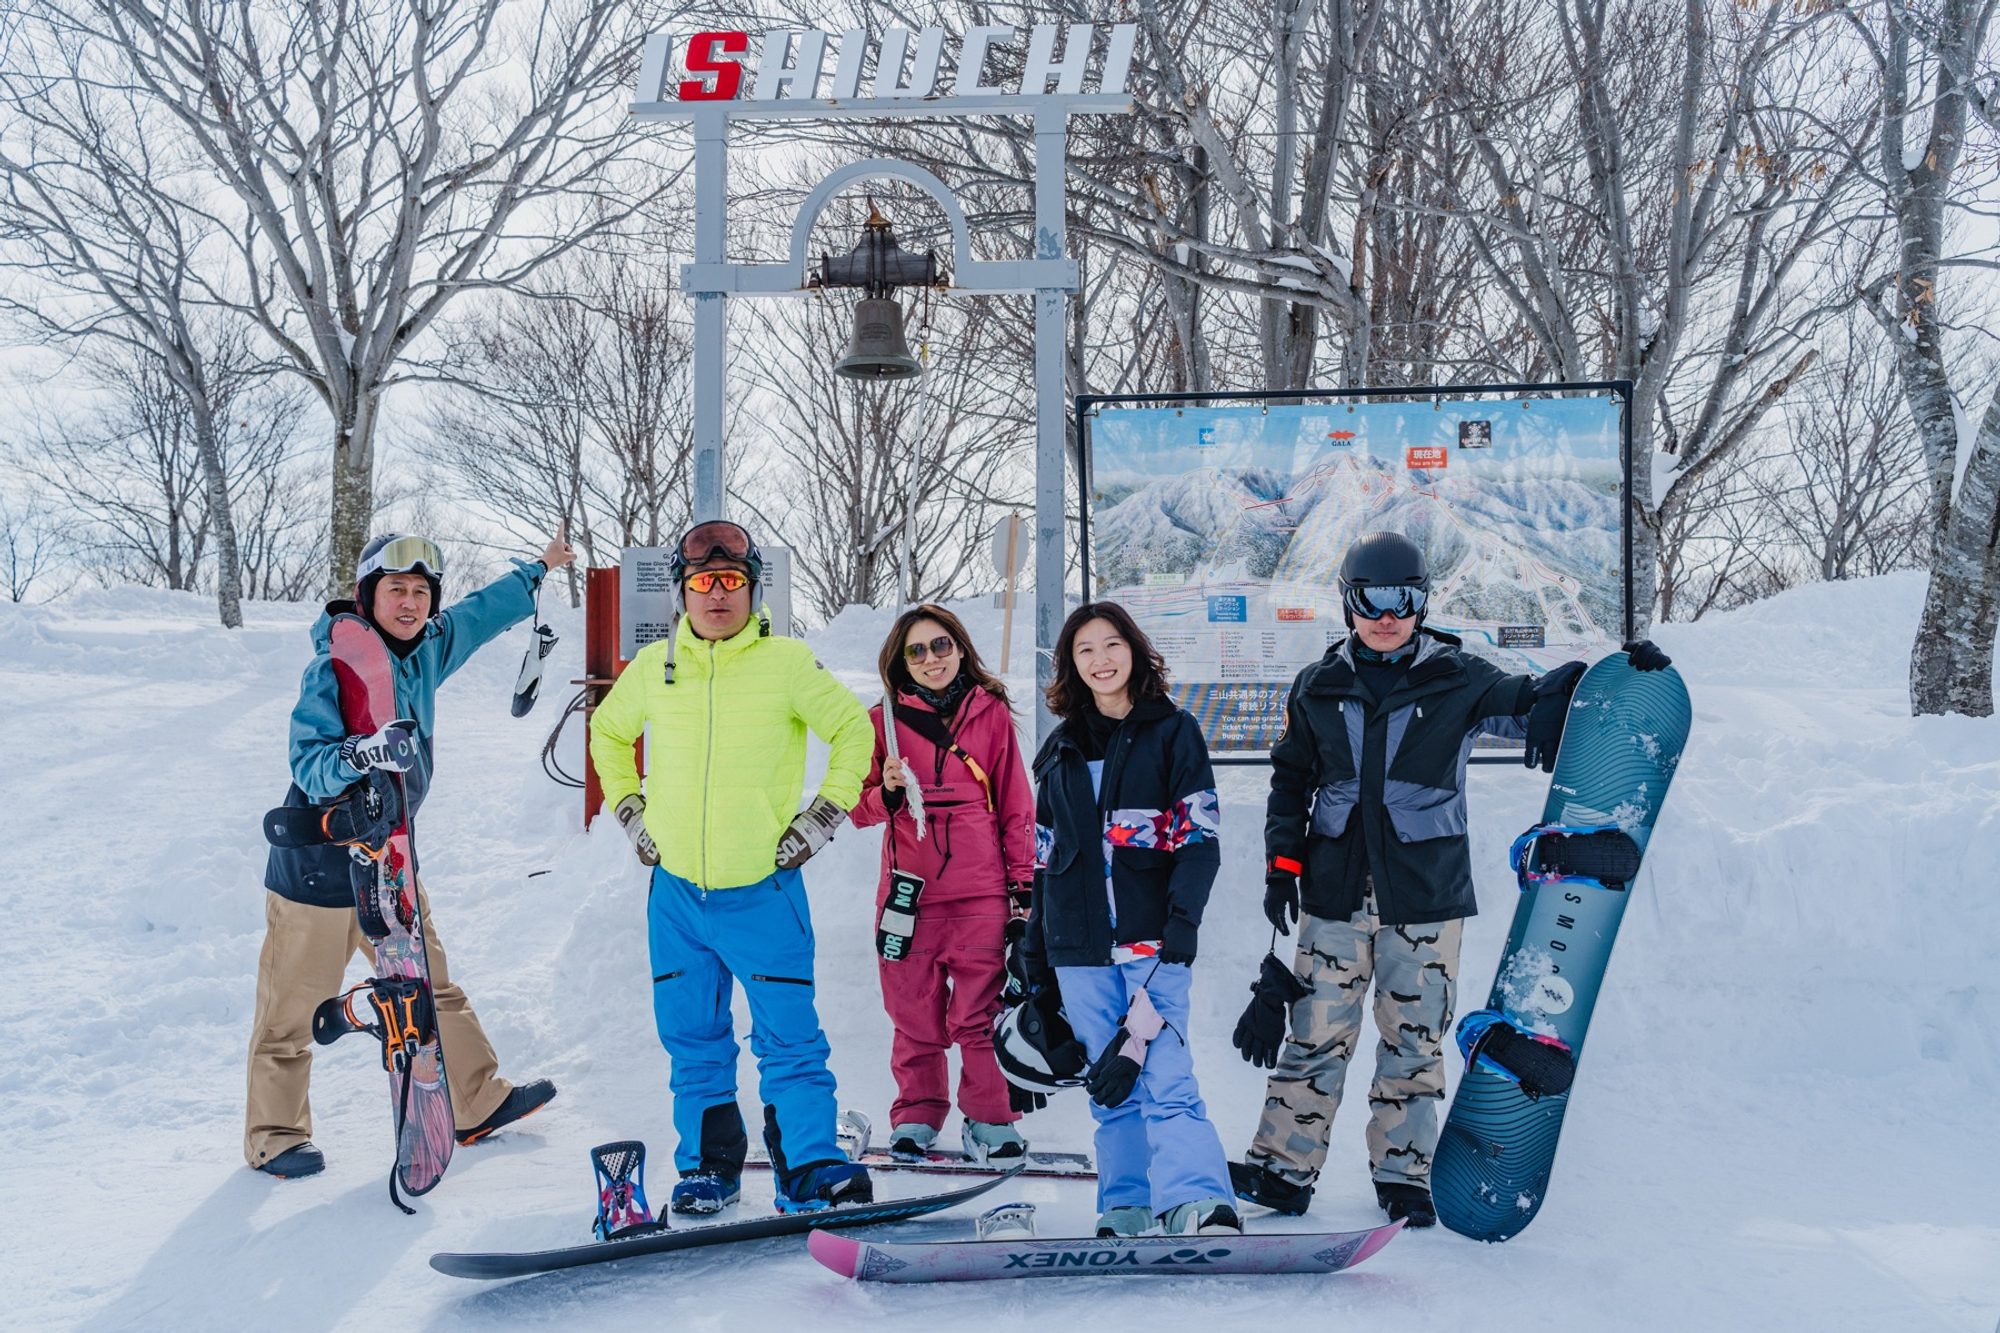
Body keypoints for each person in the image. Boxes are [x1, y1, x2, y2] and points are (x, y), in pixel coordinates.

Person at [1230, 530, 1671, 1228]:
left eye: (1403, 598)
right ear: (1349, 602)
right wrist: (1282, 867)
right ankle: (1284, 1169)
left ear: (1421, 601)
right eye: (1372, 598)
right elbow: (1291, 781)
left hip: (1425, 897)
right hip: (1333, 894)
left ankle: (1405, 1175)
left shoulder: (1457, 676)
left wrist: (1618, 673)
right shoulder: (1318, 685)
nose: (1387, 614)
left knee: (1413, 1038)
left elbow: (1534, 697)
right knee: (1314, 1034)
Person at [247, 530, 573, 1180]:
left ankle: (474, 1101)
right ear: (369, 595)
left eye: (421, 591)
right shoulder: (333, 665)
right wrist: (358, 765)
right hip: (320, 864)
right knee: (291, 1007)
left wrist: (538, 568)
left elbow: (480, 614)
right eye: (396, 588)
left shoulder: (427, 650)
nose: (410, 601)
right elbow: (309, 761)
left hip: (389, 858)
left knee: (433, 985)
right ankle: (274, 1134)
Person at [589, 519, 875, 1215]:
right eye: (704, 583)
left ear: (752, 590)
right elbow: (608, 730)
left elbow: (854, 729)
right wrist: (630, 808)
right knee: (694, 1039)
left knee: (789, 1034)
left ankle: (808, 1165)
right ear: (682, 594)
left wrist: (823, 816)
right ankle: (708, 1169)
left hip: (763, 891)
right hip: (678, 895)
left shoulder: (785, 663)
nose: (718, 595)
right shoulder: (657, 668)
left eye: (732, 582)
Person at [1017, 601, 1238, 1238]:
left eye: (1111, 644)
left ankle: (1198, 1200)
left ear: (1134, 652)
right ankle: (1126, 1204)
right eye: (1085, 650)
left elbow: (1199, 838)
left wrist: (1184, 924)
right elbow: (1044, 859)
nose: (1101, 660)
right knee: (1110, 1085)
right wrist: (1034, 956)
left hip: (1150, 943)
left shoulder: (1173, 731)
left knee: (1165, 1073)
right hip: (1076, 948)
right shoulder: (1058, 752)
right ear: (1072, 665)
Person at [849, 605, 1036, 1164]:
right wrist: (884, 790)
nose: (932, 659)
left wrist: (1023, 889)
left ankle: (990, 1118)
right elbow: (855, 810)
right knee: (913, 1013)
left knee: (979, 1017)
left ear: (960, 649)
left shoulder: (991, 714)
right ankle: (917, 1114)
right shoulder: (880, 720)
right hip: (909, 897)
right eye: (917, 650)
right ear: (900, 661)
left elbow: (1015, 805)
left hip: (980, 894)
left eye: (941, 646)